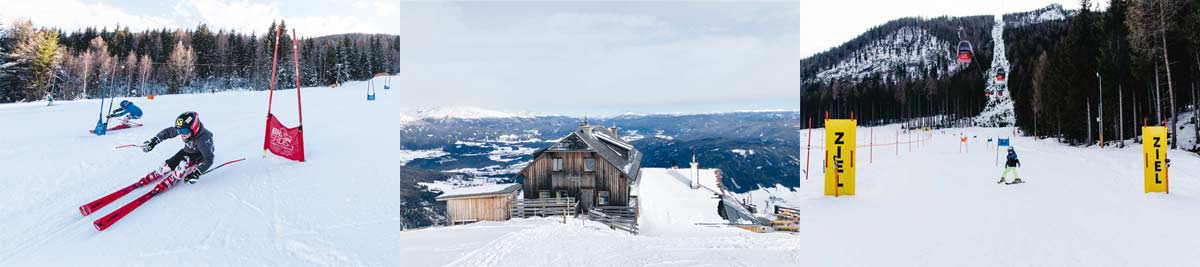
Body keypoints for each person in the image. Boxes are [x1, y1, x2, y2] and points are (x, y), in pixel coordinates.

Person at [141, 111, 214, 184]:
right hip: (188, 150)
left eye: (184, 131)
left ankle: (177, 174)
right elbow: (168, 132)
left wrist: (197, 173)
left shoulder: (203, 140)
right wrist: (154, 140)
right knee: (170, 163)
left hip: (200, 155)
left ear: (194, 128)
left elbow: (209, 159)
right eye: (179, 130)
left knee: (184, 162)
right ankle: (166, 168)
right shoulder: (185, 130)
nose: (181, 133)